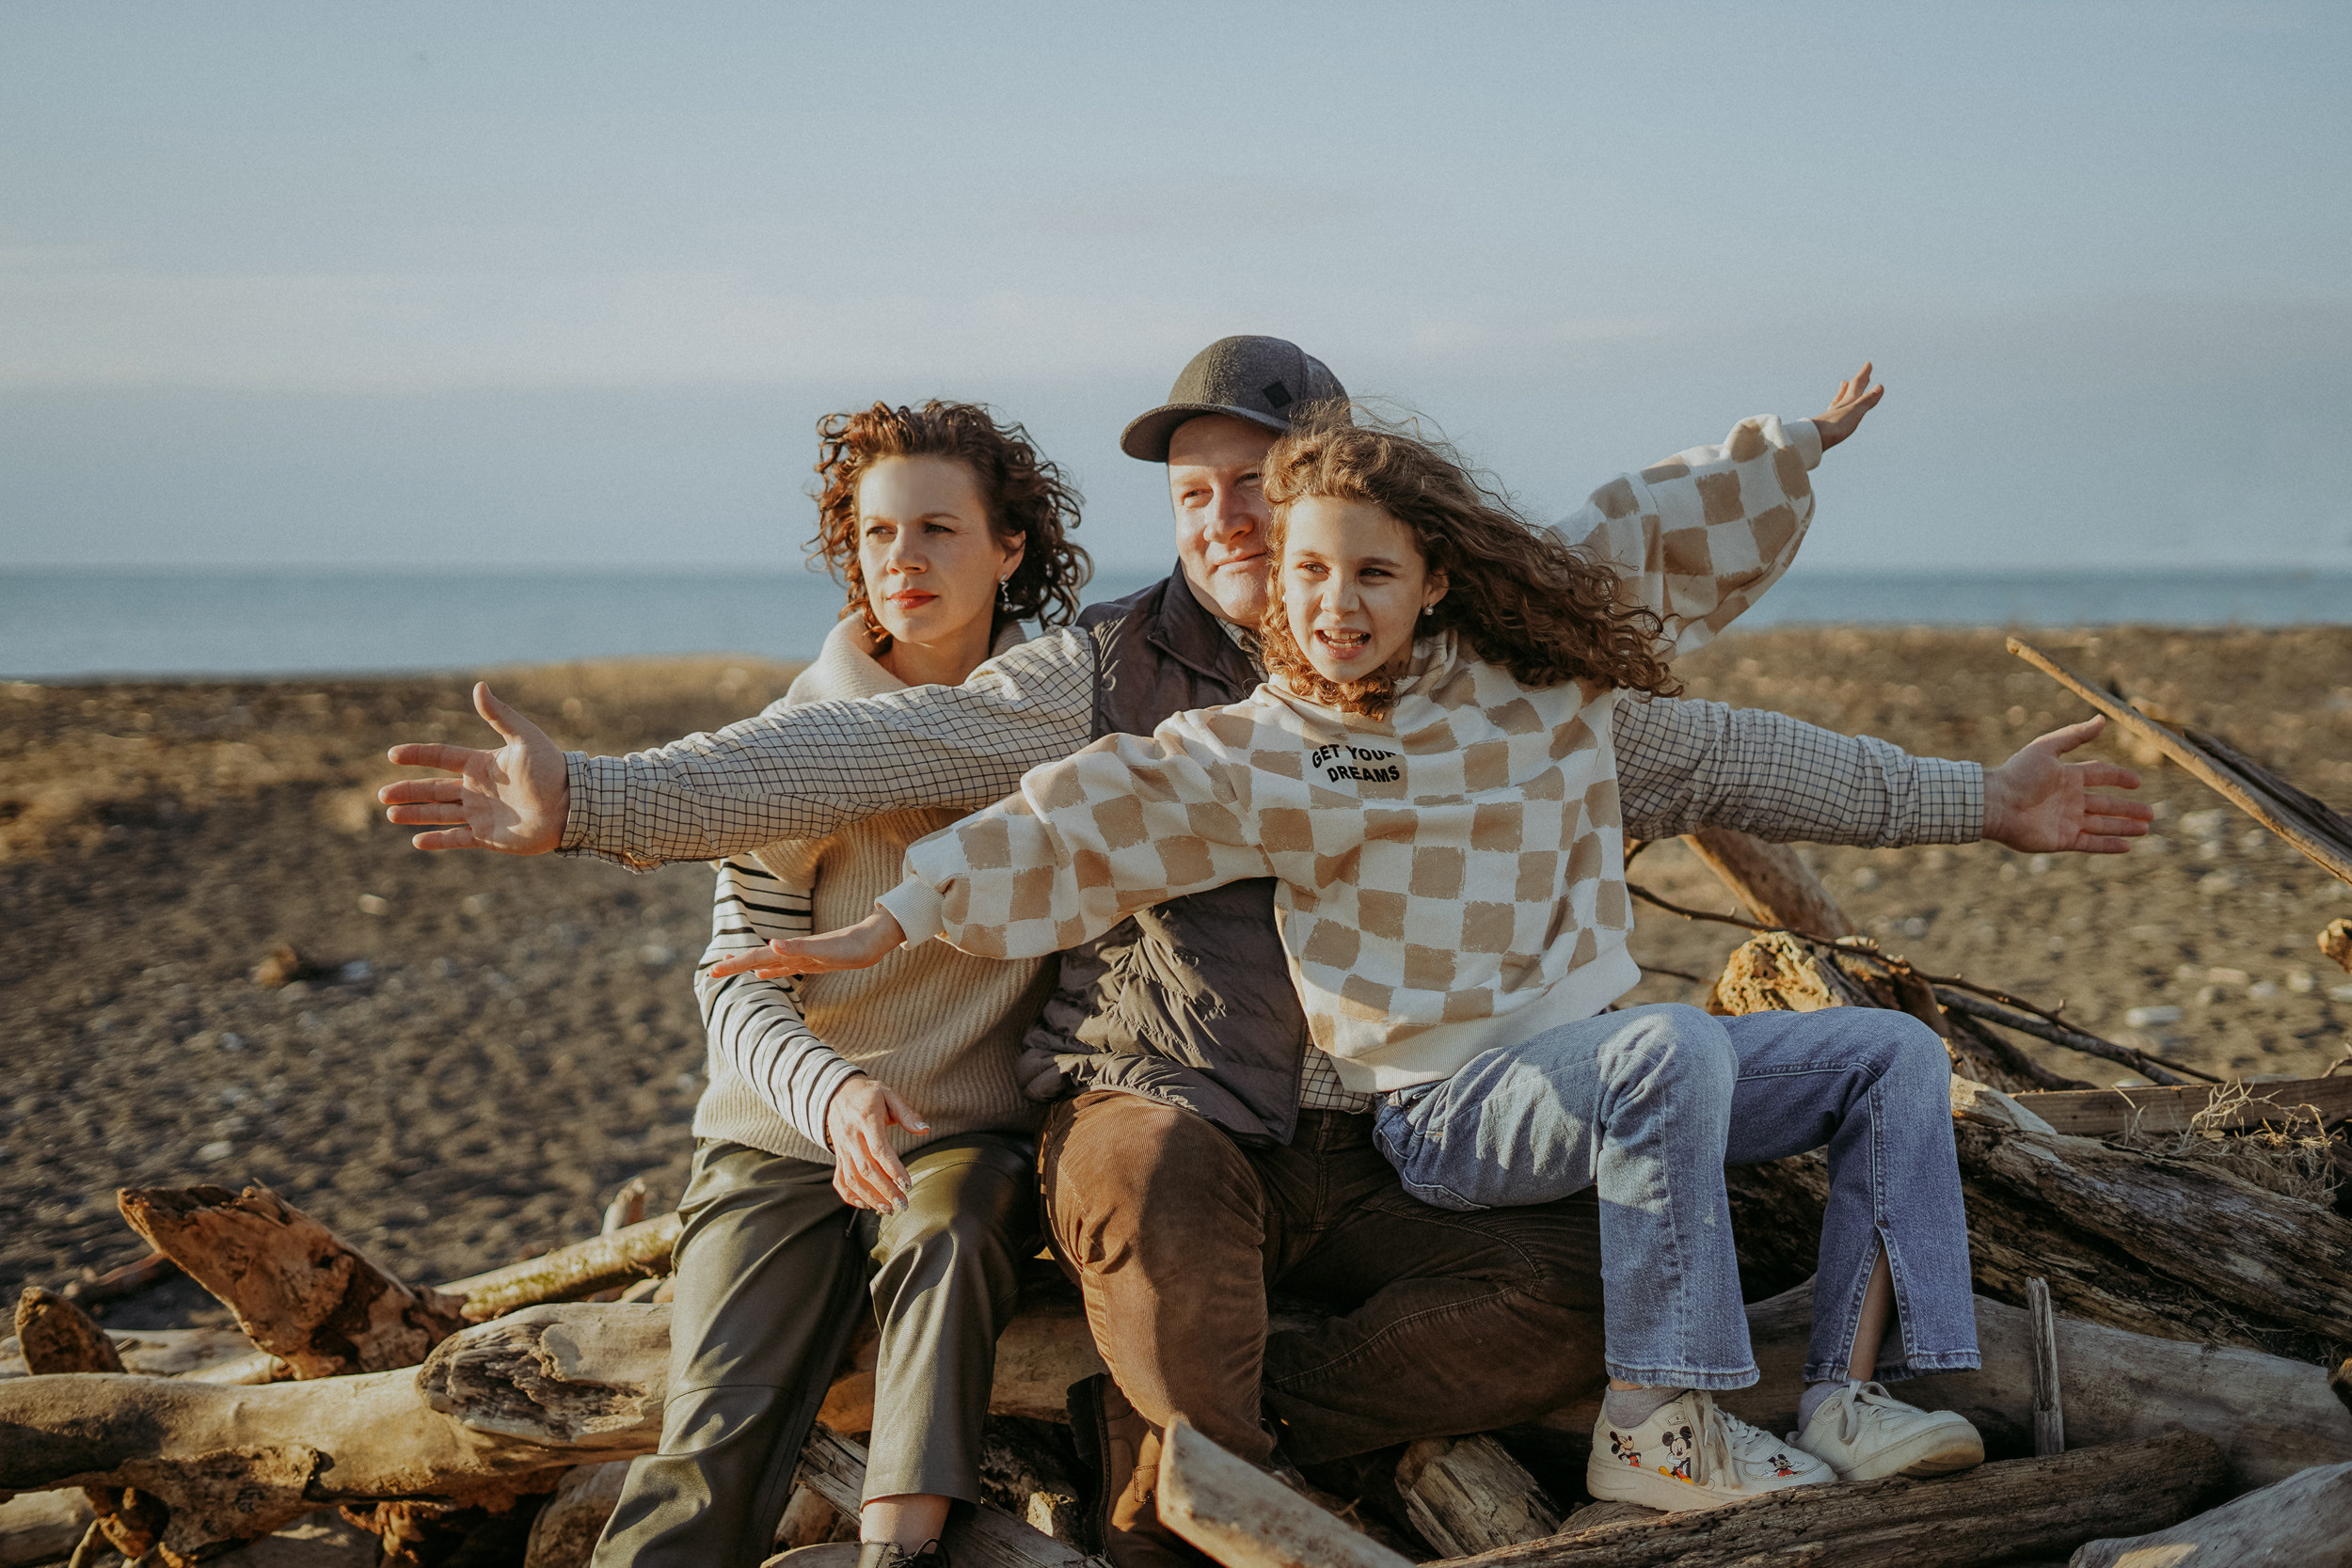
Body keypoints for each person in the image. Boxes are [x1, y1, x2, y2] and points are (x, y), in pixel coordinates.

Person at [380, 339, 2146, 1563]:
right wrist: (596, 795)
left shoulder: (1482, 686)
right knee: (1152, 1193)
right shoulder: (1105, 674)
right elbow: (882, 754)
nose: (1224, 518)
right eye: (1194, 493)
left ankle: (1236, 1435)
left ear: (1348, 503)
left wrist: (1977, 797)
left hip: (1409, 1116)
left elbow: (1724, 744)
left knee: (1576, 1289)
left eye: (1255, 484)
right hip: (1173, 1095)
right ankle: (1186, 1492)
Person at [719, 409, 2081, 1510]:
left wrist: (1977, 783)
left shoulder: (1545, 701)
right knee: (1663, 1045)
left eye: (1369, 573)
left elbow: (1665, 567)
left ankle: (1851, 1389)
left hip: (1574, 1077)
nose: (1334, 603)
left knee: (1888, 1052)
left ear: (1435, 578)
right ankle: (1658, 1423)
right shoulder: (1279, 742)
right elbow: (1083, 816)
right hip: (1447, 1106)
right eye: (1308, 574)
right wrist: (901, 912)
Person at [595, 401, 1089, 1568]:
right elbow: (734, 978)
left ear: (1008, 547)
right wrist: (835, 1095)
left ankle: (895, 1558)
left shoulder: (1061, 721)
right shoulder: (801, 735)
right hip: (783, 1132)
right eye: (876, 533)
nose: (901, 559)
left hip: (963, 1132)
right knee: (710, 1452)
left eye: (937, 529)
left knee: (953, 1228)